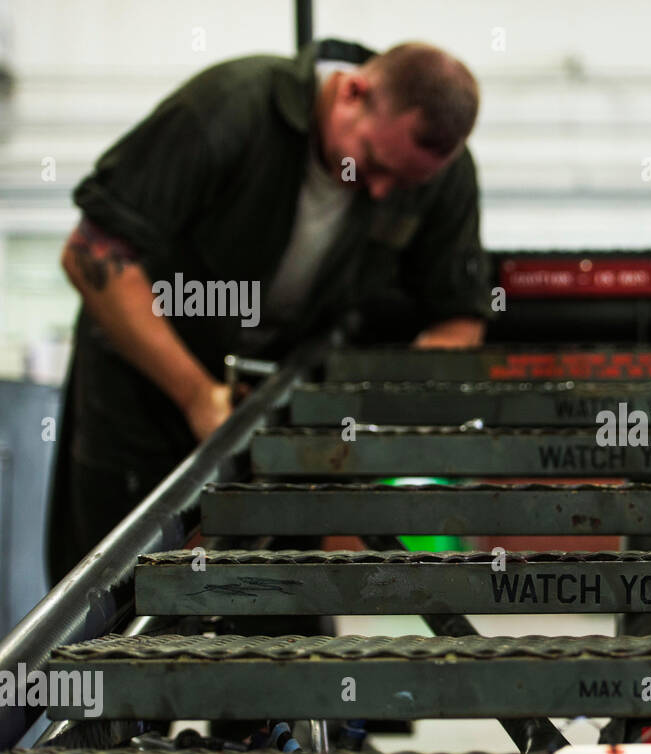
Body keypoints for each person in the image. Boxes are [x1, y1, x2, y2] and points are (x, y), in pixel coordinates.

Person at [48, 37, 492, 583]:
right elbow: (91, 252)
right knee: (118, 601)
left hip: (278, 410)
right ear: (352, 92)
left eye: (403, 183)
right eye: (374, 164)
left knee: (275, 607)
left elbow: (459, 315)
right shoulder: (229, 108)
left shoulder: (439, 172)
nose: (380, 191)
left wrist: (406, 402)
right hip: (142, 397)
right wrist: (196, 394)